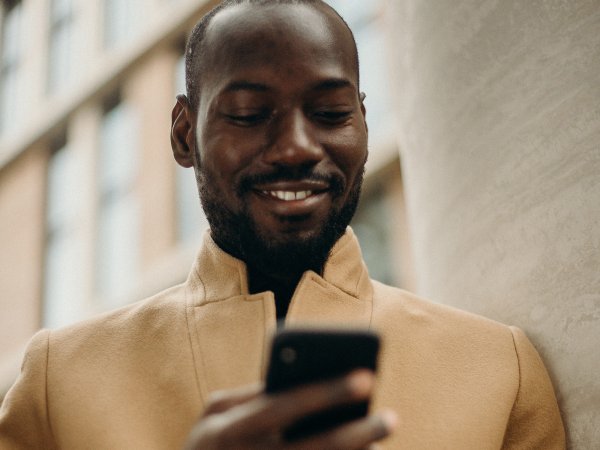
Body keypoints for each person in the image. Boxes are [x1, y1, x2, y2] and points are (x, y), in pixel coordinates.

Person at [0, 1, 565, 448]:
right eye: (249, 114)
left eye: (330, 114)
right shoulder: (59, 382)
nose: (297, 146)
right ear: (183, 135)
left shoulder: (500, 371)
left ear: (364, 126)